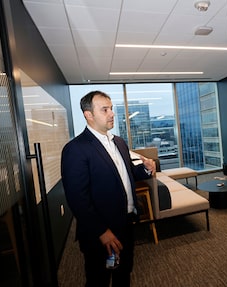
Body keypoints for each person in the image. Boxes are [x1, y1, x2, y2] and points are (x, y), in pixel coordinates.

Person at [61, 90, 156, 287]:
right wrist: (102, 231)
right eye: (105, 109)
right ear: (88, 114)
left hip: (126, 223)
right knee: (99, 279)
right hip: (100, 232)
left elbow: (128, 173)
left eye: (111, 108)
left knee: (124, 274)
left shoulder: (119, 142)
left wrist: (146, 170)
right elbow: (78, 198)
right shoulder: (76, 149)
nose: (112, 113)